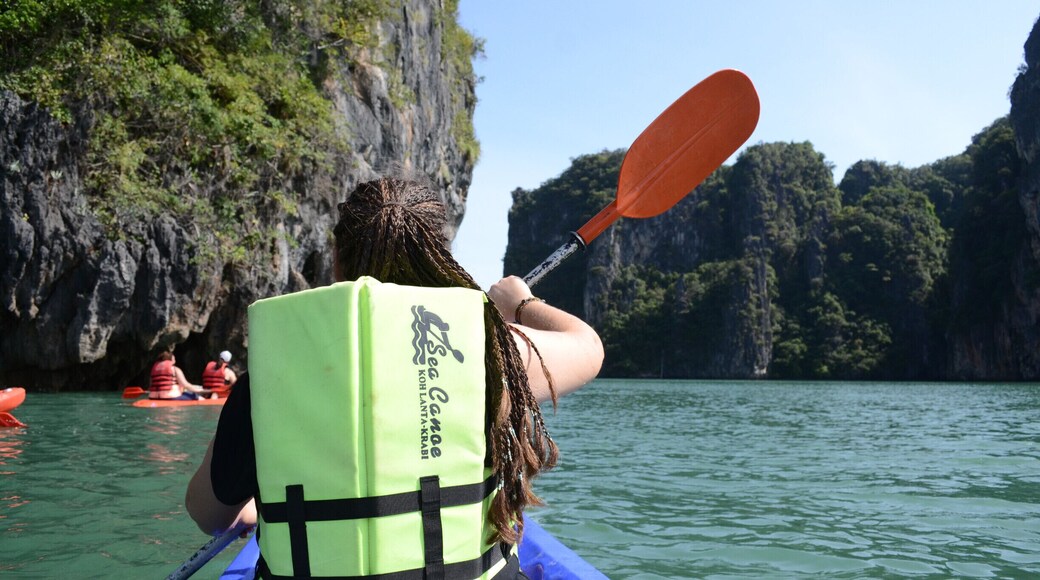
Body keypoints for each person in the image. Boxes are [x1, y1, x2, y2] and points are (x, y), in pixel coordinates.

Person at [185, 177, 603, 578]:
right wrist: (520, 302)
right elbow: (588, 346)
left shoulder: (266, 383)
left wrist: (260, 506)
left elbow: (207, 514)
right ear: (442, 258)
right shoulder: (489, 353)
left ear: (336, 260)